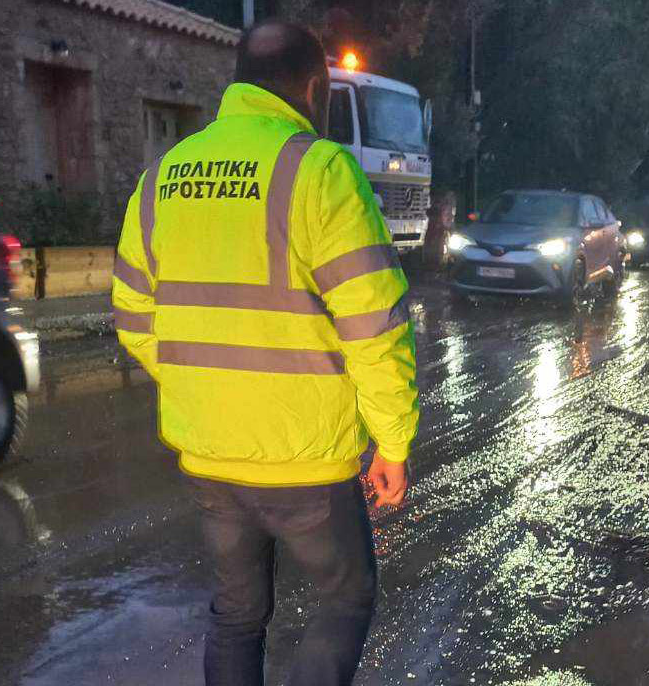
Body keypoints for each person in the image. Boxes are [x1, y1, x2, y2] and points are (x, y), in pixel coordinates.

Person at [111, 20, 418, 686]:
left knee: (237, 614)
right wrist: (391, 443)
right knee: (345, 596)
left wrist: (206, 390)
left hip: (210, 461)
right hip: (308, 462)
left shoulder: (162, 175)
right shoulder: (321, 169)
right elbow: (375, 326)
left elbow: (134, 316)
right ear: (315, 87)